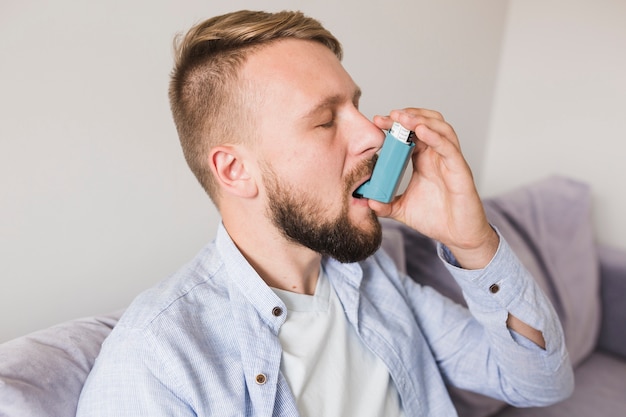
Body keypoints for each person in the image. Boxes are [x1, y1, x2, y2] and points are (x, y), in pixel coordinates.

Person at [76, 10, 573, 417]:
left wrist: (473, 244)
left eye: (356, 106)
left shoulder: (372, 275)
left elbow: (539, 381)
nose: (374, 136)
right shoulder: (156, 360)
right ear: (235, 171)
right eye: (324, 120)